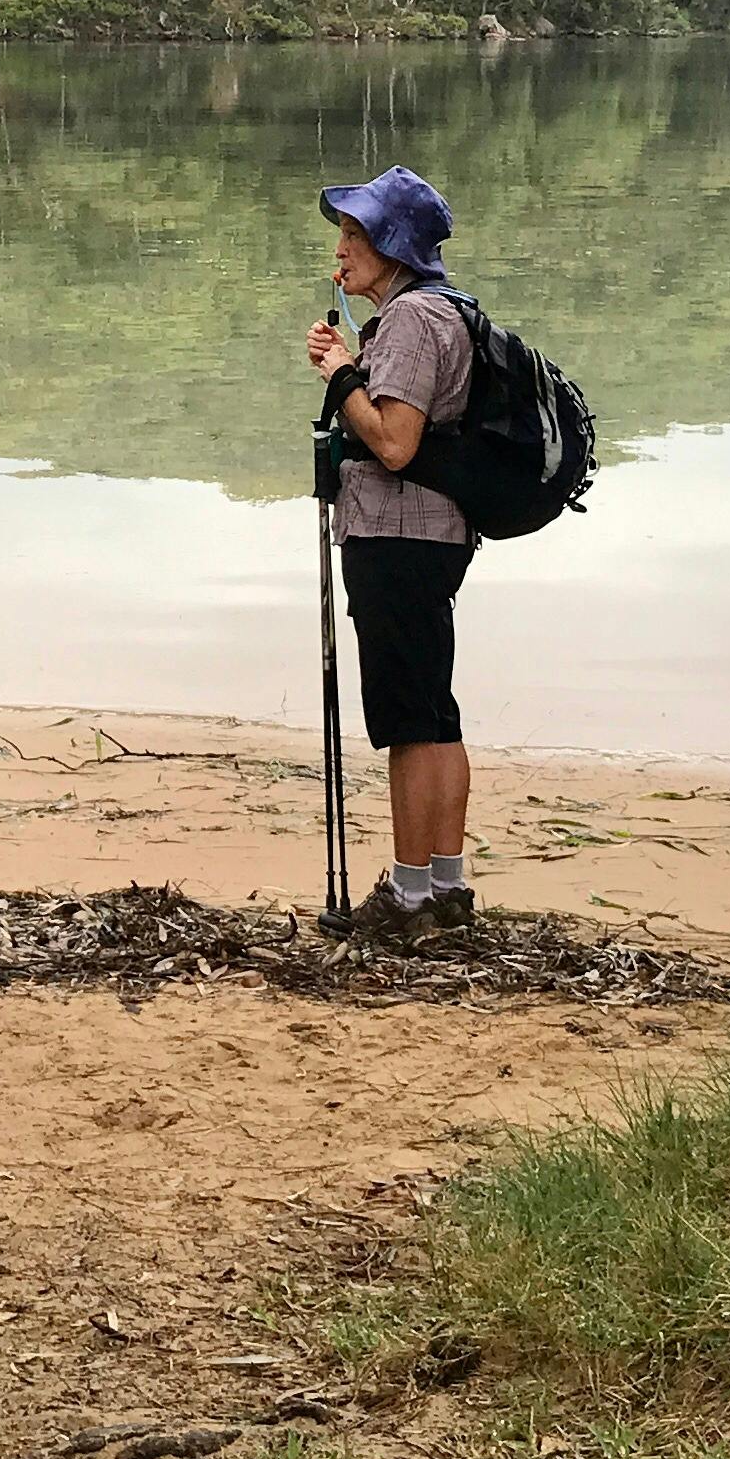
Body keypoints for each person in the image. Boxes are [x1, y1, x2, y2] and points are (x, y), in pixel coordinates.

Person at [301, 165, 477, 937]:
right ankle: (447, 887)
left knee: (409, 720)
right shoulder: (443, 311)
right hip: (436, 533)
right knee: (436, 712)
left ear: (394, 245)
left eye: (354, 234)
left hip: (399, 535)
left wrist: (341, 374)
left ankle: (408, 901)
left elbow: (396, 443)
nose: (341, 249)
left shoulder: (410, 322)